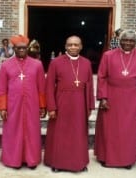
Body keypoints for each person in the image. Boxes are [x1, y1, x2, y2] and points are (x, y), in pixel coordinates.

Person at [95, 29, 136, 169]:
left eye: (131, 40)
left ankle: (127, 159)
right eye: (125, 40)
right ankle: (105, 157)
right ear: (119, 40)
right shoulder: (108, 55)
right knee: (108, 128)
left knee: (128, 130)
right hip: (111, 96)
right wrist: (103, 97)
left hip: (132, 97)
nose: (128, 43)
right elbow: (101, 77)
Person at [44, 35, 95, 172]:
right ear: (65, 46)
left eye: (76, 45)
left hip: (80, 103)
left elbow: (89, 85)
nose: (73, 47)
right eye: (70, 45)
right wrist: (51, 107)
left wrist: (90, 105)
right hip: (61, 102)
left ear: (81, 46)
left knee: (78, 134)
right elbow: (49, 86)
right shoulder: (56, 62)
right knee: (60, 134)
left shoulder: (86, 63)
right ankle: (57, 163)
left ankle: (79, 162)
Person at [0, 34, 46, 169]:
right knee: (13, 131)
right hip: (13, 105)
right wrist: (2, 107)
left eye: (24, 48)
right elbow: (1, 88)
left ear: (28, 48)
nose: (21, 50)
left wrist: (43, 106)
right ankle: (14, 160)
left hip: (32, 104)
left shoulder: (37, 64)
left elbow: (41, 87)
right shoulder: (6, 65)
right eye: (18, 48)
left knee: (32, 131)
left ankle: (31, 160)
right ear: (14, 49)